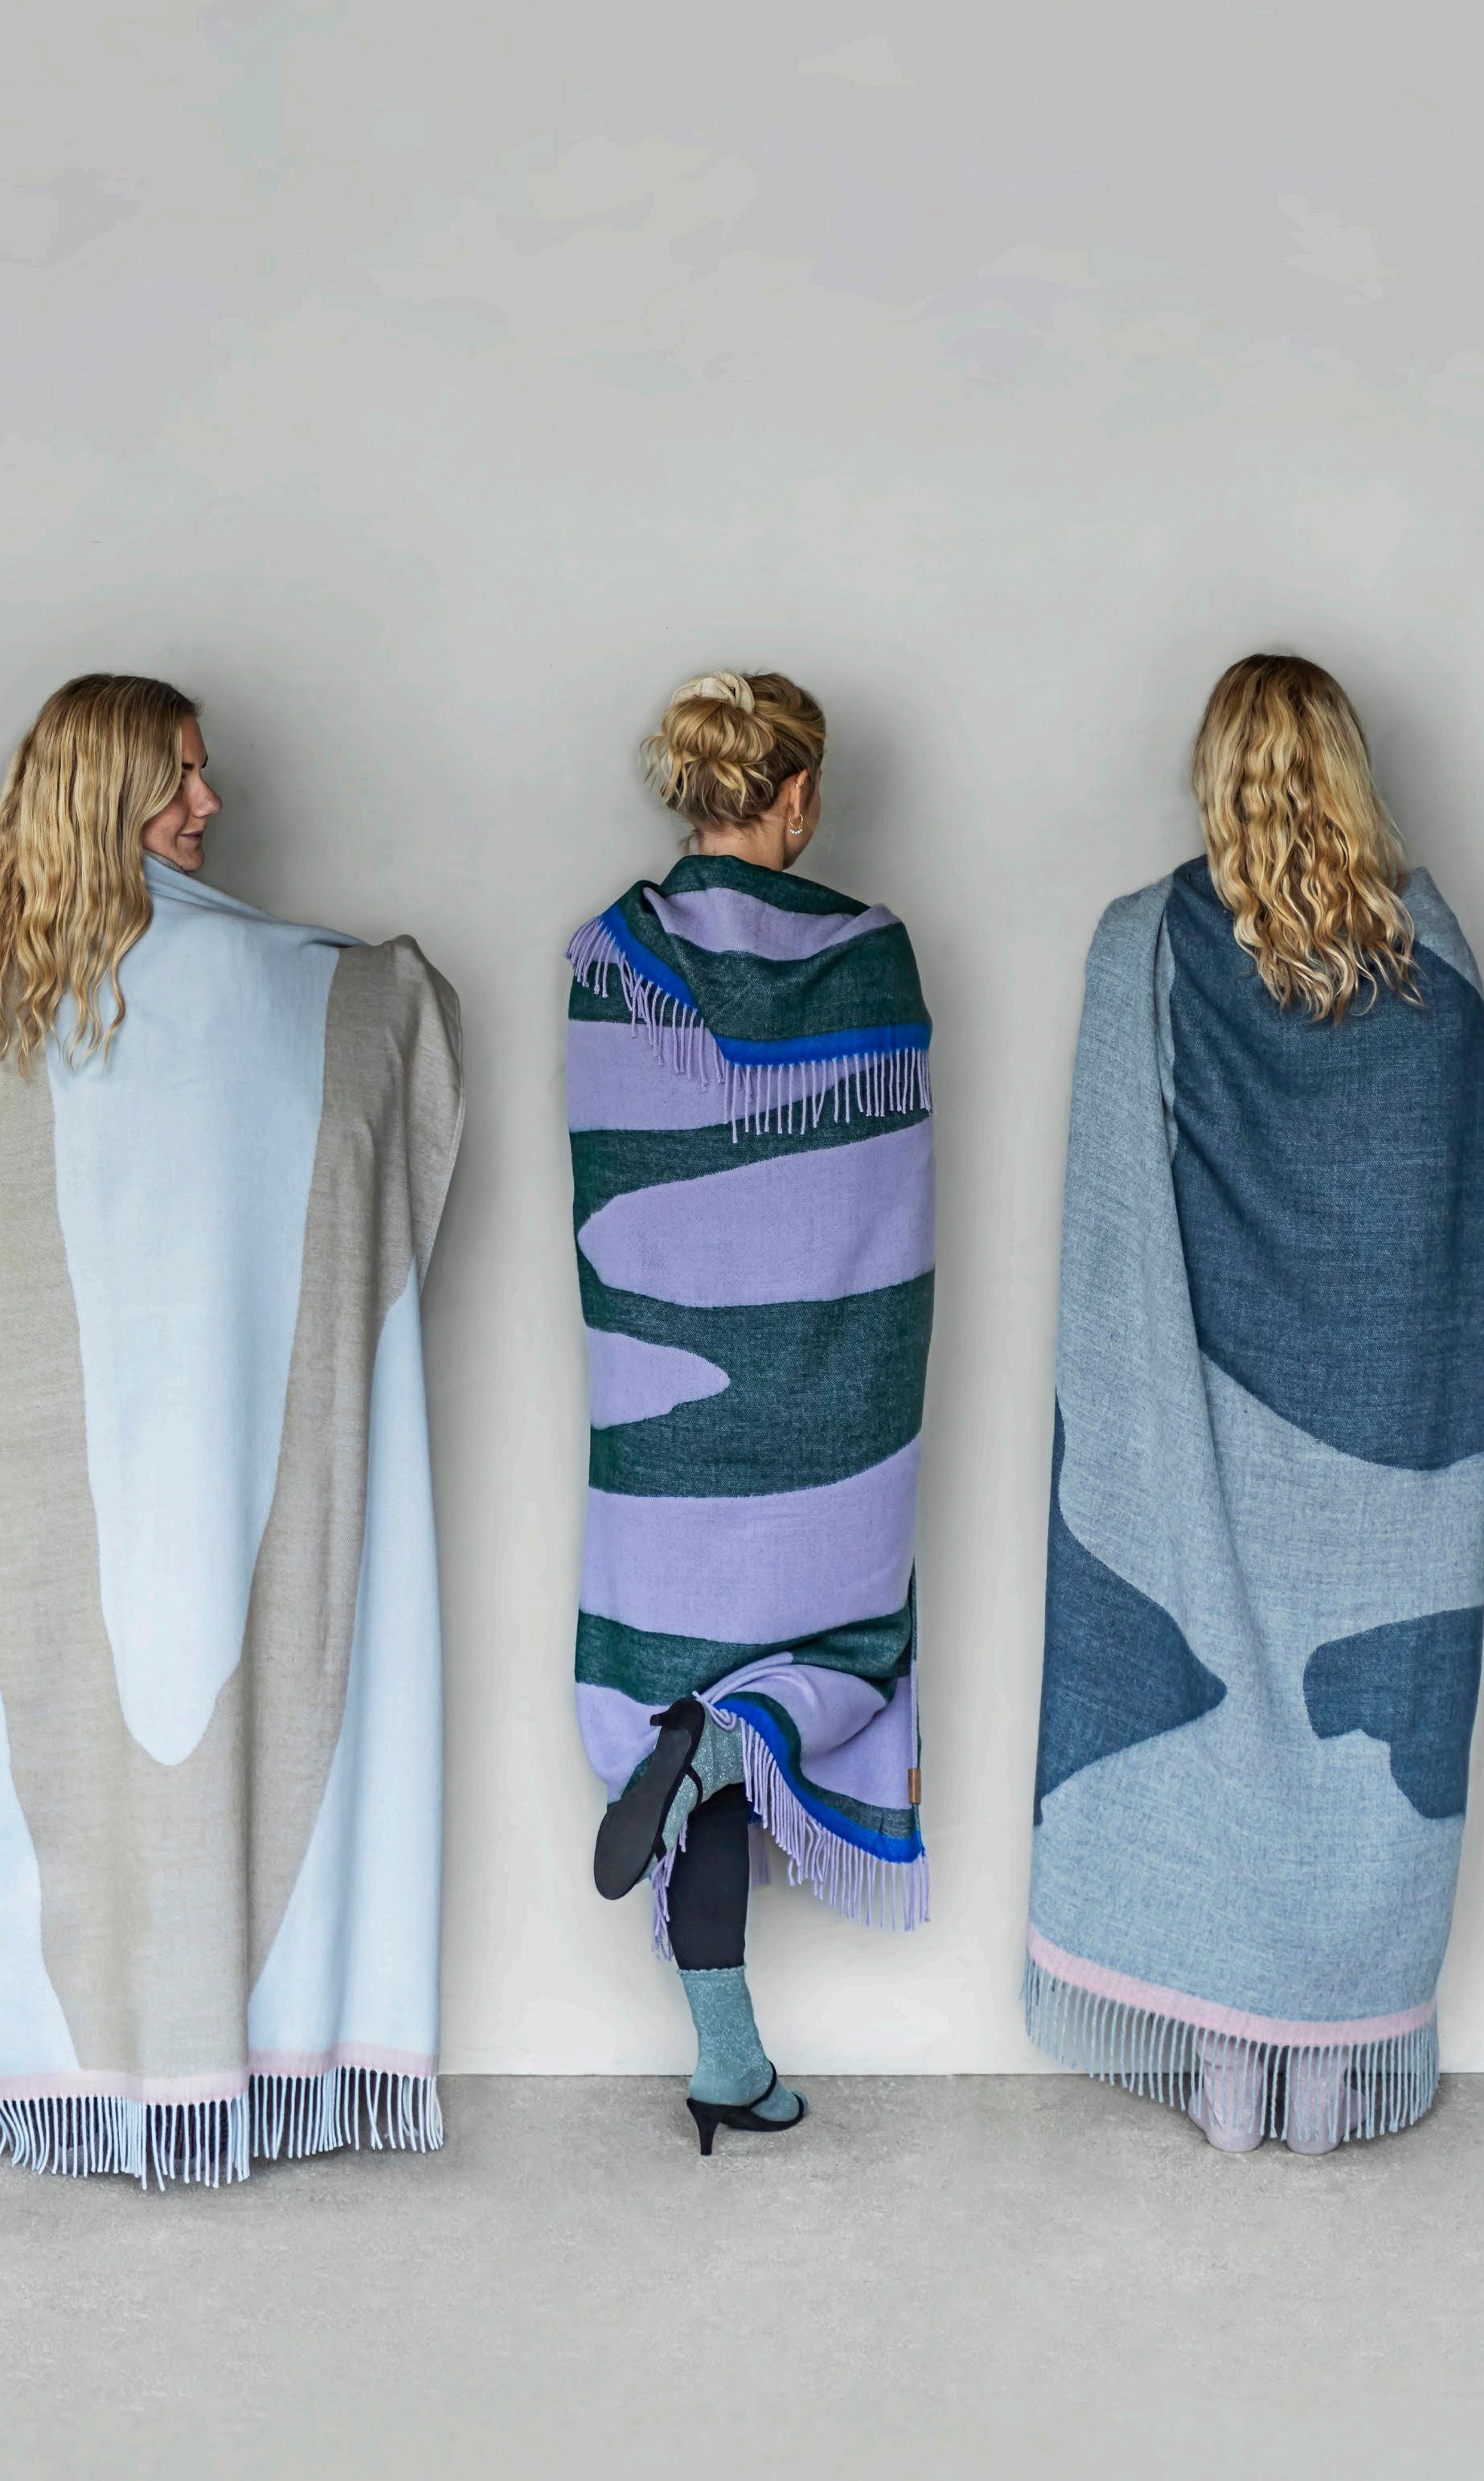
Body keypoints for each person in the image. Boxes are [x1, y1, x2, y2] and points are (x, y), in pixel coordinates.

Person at [1026, 654, 1484, 2151]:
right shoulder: (1429, 961)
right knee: (1357, 1746)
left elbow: (1111, 1225)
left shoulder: (1142, 946)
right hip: (1387, 1458)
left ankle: (1230, 2075)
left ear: (1211, 773)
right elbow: (1474, 1213)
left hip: (1197, 1425)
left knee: (1217, 1724)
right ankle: (1325, 2077)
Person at [0, 675, 461, 2187]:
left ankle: (71, 2068)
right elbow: (385, 1016)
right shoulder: (285, 988)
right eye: (180, 777)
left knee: (63, 1742)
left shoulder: (22, 1001)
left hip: (59, 1469)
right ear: (105, 790)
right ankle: (248, 2053)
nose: (212, 803)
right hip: (240, 1450)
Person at [566, 670, 934, 2152]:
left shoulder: (609, 959)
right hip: (831, 1413)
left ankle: (726, 2050)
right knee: (843, 1654)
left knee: (686, 1687)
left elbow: (613, 1190)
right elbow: (884, 1200)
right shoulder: (869, 954)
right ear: (795, 793)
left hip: (662, 1427)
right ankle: (717, 1755)